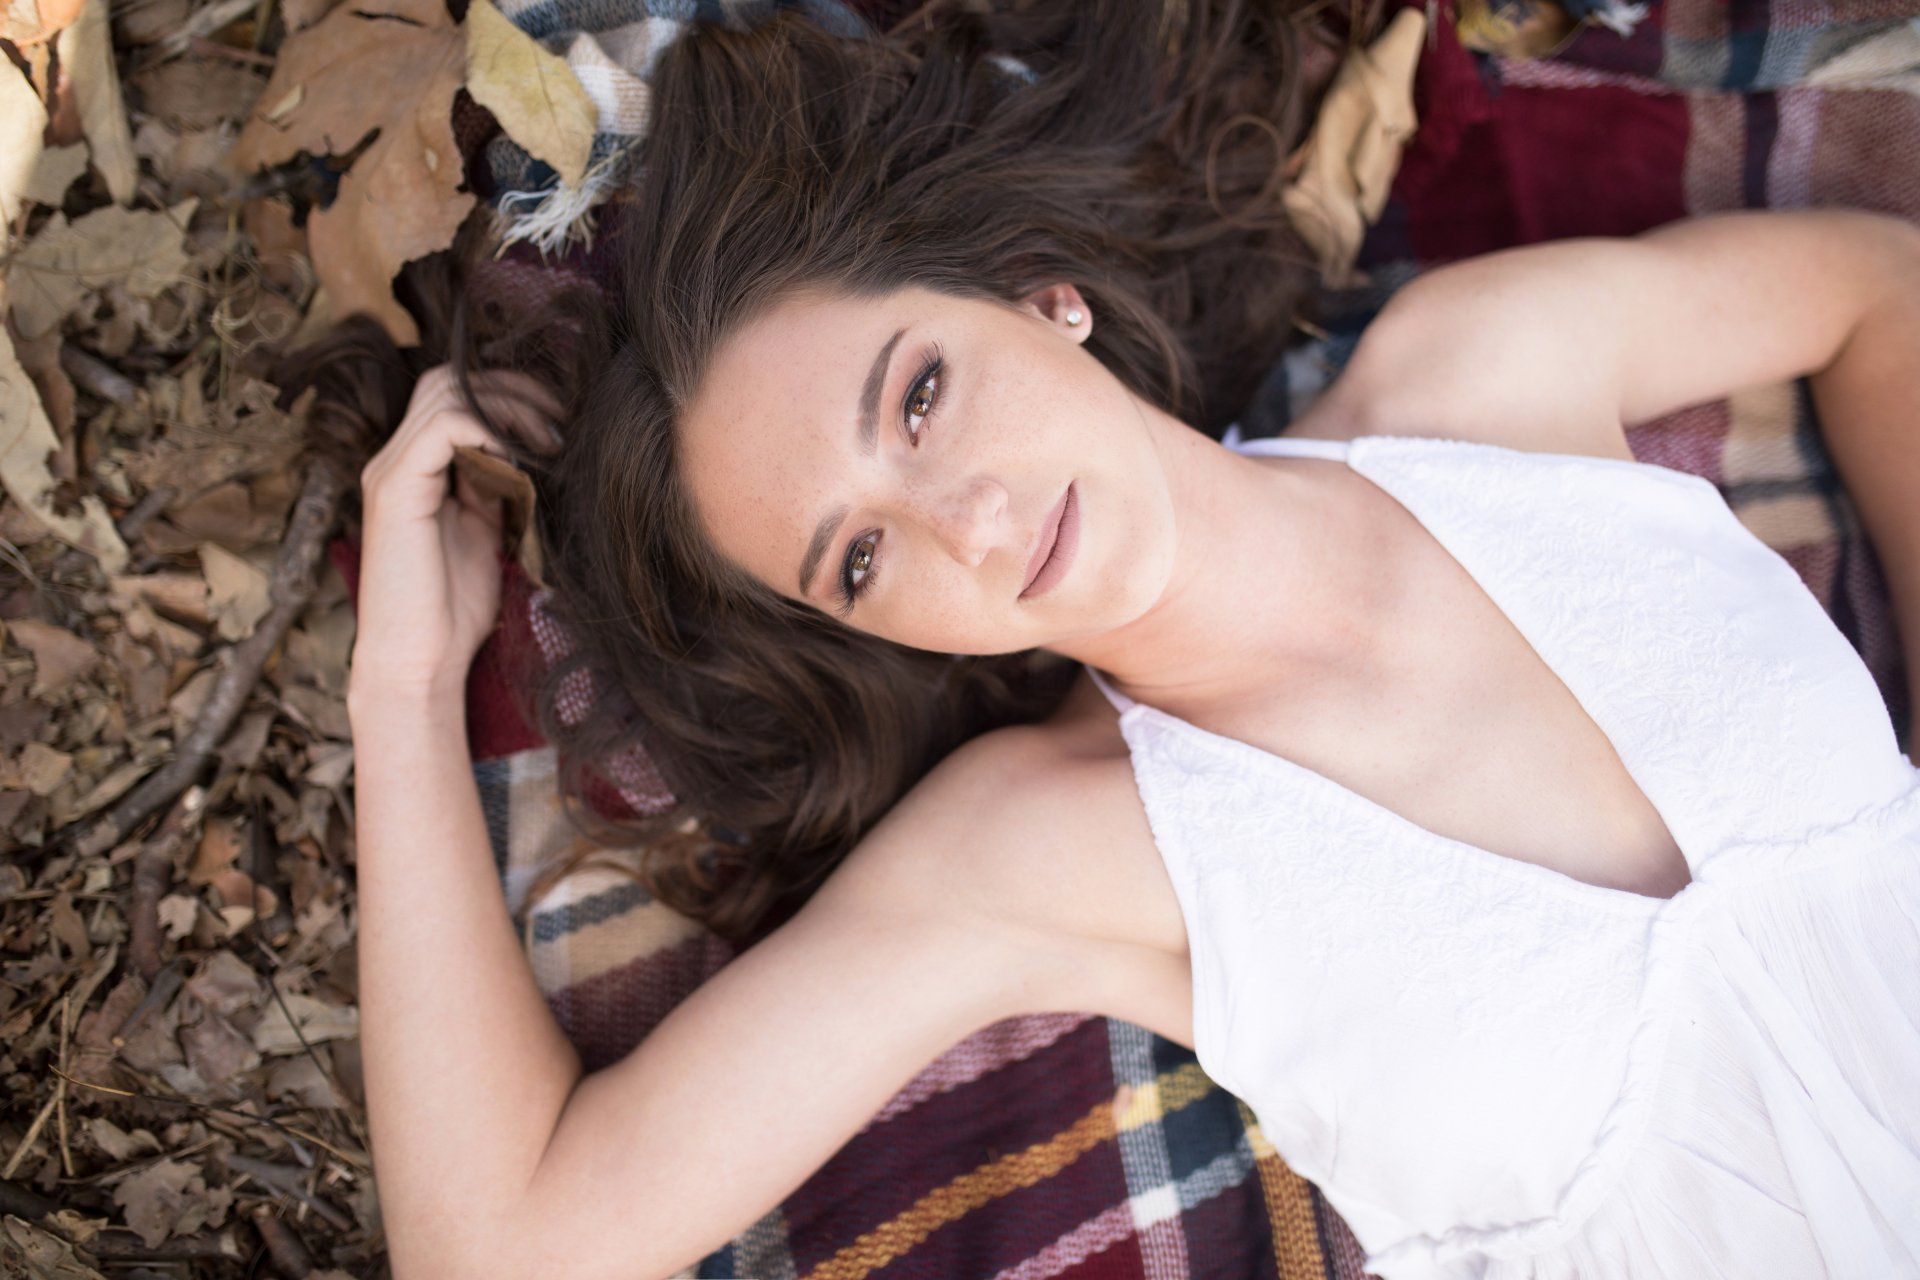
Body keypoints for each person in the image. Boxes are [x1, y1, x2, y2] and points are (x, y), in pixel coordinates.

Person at [297, 1, 1920, 1276]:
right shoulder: (1053, 850)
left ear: (1039, 291)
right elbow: (506, 1239)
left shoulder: (1487, 380)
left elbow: (1879, 293)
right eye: (862, 559)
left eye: (921, 396)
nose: (970, 524)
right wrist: (404, 690)